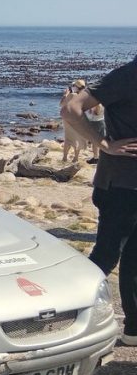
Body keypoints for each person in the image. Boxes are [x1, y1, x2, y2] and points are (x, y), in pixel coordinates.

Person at [61, 56, 137, 345]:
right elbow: (71, 108)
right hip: (120, 186)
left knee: (135, 259)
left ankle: (133, 330)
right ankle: (62, 318)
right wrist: (104, 144)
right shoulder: (128, 75)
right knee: (105, 256)